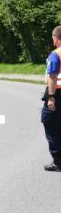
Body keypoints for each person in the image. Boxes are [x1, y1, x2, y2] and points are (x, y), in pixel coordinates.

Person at [41, 26, 61, 171]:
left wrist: (51, 97)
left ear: (56, 39)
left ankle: (58, 161)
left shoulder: (55, 54)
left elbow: (53, 77)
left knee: (49, 122)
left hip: (58, 94)